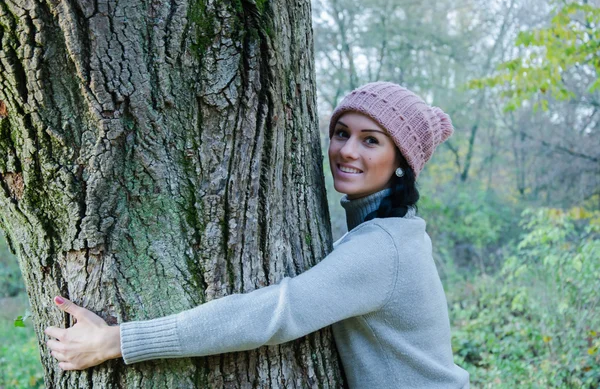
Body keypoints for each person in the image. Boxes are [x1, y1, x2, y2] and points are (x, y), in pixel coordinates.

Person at [45, 82, 470, 388]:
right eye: (342, 133)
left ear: (401, 163)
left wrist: (118, 340)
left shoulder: (384, 247)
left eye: (371, 140)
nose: (346, 151)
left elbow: (274, 313)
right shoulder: (388, 236)